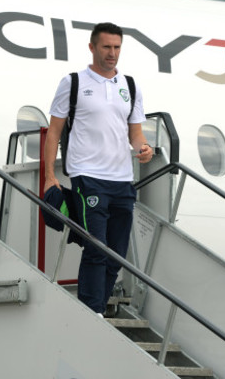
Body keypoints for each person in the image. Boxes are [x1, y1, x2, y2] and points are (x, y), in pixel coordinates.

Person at [44, 22, 153, 316]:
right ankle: (91, 313)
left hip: (122, 181)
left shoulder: (130, 86)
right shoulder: (74, 83)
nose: (112, 53)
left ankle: (98, 309)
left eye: (117, 47)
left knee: (116, 255)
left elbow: (135, 134)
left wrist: (144, 148)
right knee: (96, 248)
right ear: (92, 47)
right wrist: (49, 176)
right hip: (88, 177)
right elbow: (54, 131)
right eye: (106, 47)